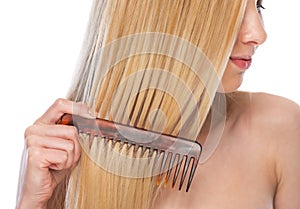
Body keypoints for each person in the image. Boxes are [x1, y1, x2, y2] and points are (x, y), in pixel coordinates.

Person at [16, 0, 300, 208]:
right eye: (233, 11)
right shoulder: (66, 152)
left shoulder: (279, 129)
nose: (258, 34)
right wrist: (32, 203)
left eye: (259, 5)